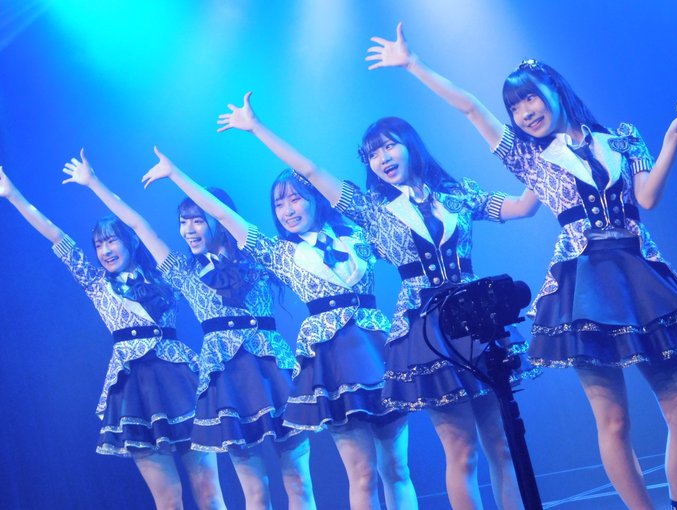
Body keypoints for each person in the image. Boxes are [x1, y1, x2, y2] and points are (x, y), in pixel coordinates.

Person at [366, 21, 677, 510]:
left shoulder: (622, 139)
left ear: (555, 89)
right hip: (582, 285)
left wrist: (672, 140)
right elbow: (471, 107)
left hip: (641, 274)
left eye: (529, 98)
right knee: (613, 419)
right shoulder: (527, 156)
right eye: (515, 107)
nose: (524, 112)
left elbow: (648, 197)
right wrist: (414, 65)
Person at [215, 93, 542, 510]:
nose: (382, 158)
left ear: (410, 145)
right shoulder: (371, 210)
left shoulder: (456, 195)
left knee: (503, 446)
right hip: (429, 331)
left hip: (477, 317)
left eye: (389, 146)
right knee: (463, 453)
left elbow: (523, 207)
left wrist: (538, 156)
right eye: (372, 153)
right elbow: (310, 171)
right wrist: (257, 128)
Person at [141, 149, 419, 510]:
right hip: (325, 365)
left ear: (315, 199)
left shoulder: (358, 236)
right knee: (362, 474)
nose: (287, 210)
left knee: (397, 468)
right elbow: (220, 215)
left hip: (374, 352)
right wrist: (176, 174)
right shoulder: (278, 254)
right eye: (279, 204)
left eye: (295, 199)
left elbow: (320, 174)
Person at [61, 151, 315, 510]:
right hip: (228, 382)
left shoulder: (258, 255)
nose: (188, 230)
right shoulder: (183, 272)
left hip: (273, 372)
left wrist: (177, 175)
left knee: (300, 483)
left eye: (197, 220)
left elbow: (226, 216)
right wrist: (94, 183)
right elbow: (138, 226)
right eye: (183, 222)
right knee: (256, 493)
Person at [0, 166, 224, 510]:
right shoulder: (96, 284)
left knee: (209, 494)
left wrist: (94, 182)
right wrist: (13, 195)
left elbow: (142, 225)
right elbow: (56, 237)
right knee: (168, 500)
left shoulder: (166, 274)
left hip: (180, 382)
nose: (105, 250)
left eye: (111, 240)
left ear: (129, 241)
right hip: (135, 392)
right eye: (99, 244)